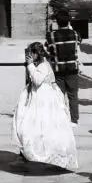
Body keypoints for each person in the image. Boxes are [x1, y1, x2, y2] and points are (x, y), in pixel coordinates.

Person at [12, 41, 78, 171]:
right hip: (36, 99)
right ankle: (26, 154)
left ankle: (52, 157)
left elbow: (37, 80)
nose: (29, 56)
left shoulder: (43, 65)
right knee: (28, 127)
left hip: (44, 101)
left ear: (37, 54)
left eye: (31, 53)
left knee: (45, 129)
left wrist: (30, 65)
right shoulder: (39, 64)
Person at [46, 9, 81, 126]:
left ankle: (61, 118)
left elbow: (48, 50)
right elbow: (78, 44)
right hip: (73, 69)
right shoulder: (75, 34)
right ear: (68, 22)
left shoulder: (51, 36)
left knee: (59, 95)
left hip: (58, 69)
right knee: (73, 95)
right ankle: (74, 120)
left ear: (57, 22)